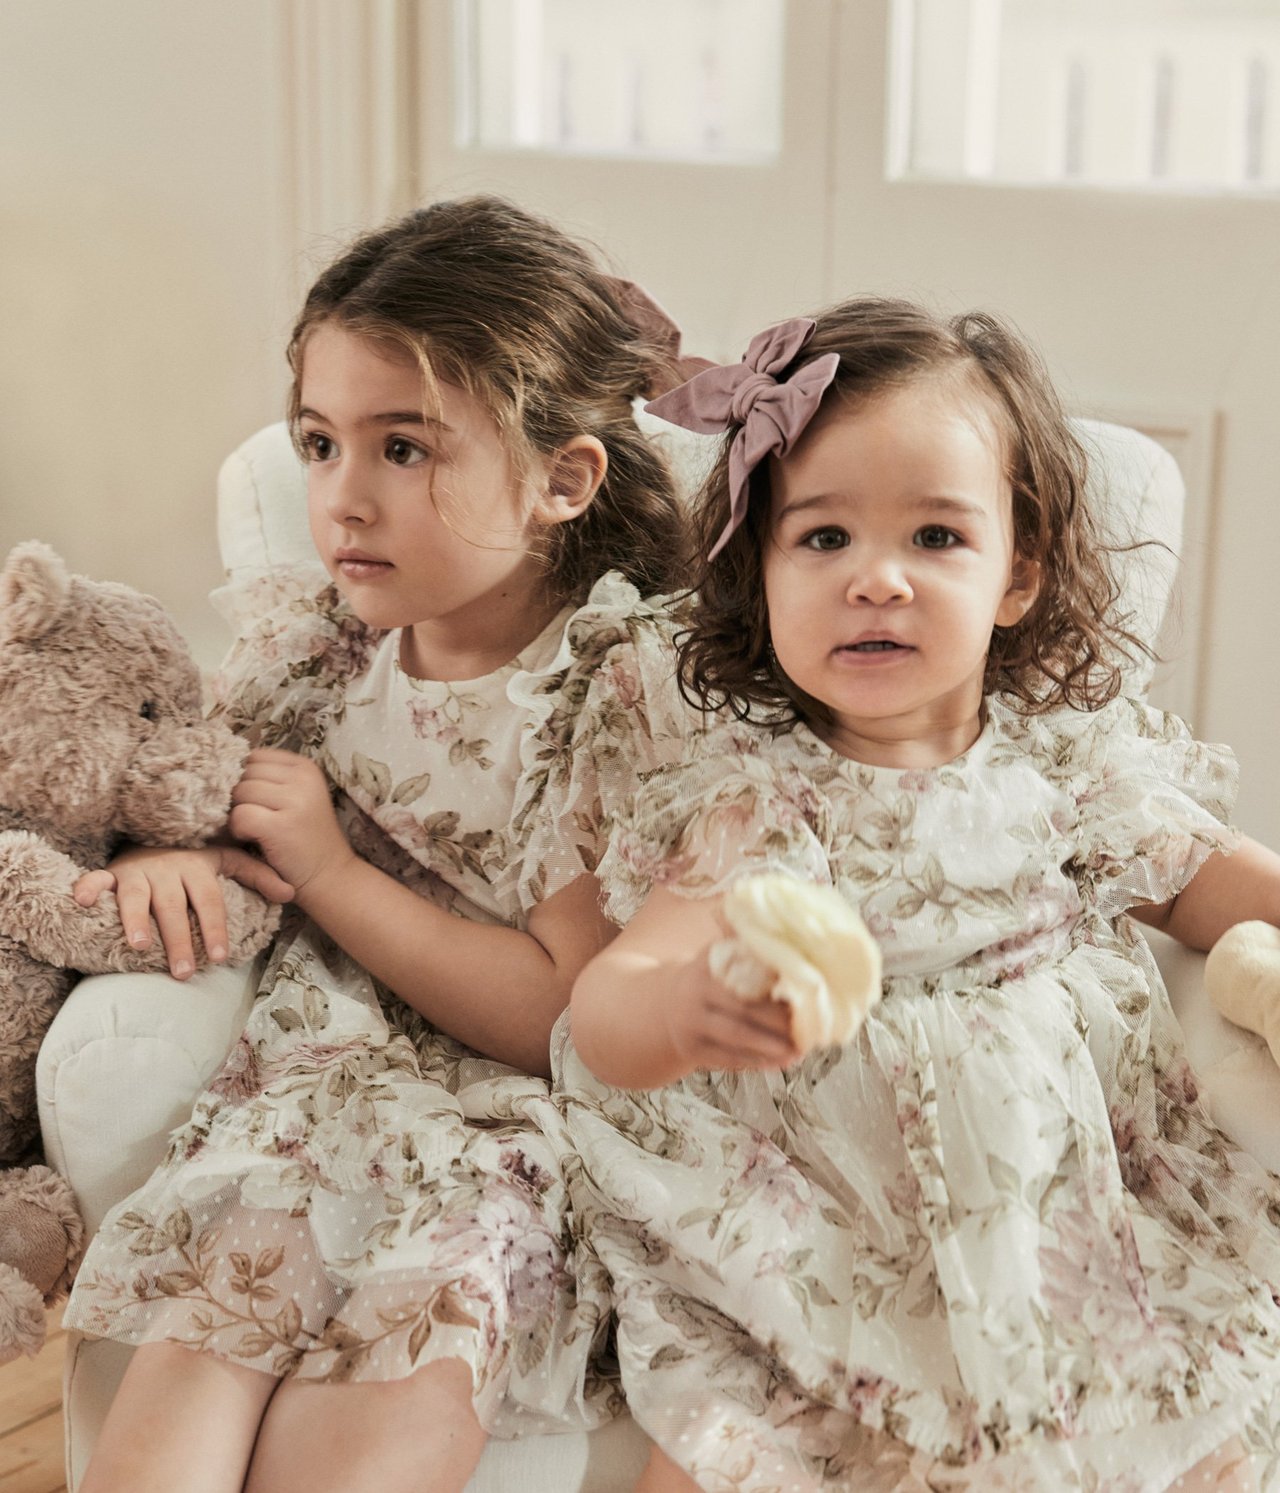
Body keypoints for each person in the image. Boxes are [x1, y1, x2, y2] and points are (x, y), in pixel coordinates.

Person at [565, 301, 1280, 1492]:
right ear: (759, 575)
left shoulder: (1065, 761)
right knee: (734, 1447)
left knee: (1187, 1437)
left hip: (1059, 1210)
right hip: (825, 1229)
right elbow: (610, 995)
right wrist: (687, 1006)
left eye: (936, 538)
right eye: (823, 538)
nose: (875, 581)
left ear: (1017, 576)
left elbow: (1213, 880)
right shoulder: (754, 795)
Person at [64, 195, 702, 1493]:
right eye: (319, 444)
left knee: (366, 1410)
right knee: (190, 1368)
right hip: (306, 1094)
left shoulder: (604, 687)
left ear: (561, 481)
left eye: (404, 449)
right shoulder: (320, 640)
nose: (342, 498)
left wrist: (333, 873)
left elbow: (559, 1016)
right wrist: (164, 854)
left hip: (503, 1136)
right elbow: (191, 792)